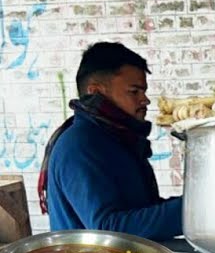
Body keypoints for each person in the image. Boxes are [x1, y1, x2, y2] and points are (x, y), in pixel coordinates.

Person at [39, 42, 182, 240]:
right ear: (96, 92)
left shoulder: (118, 139)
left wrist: (196, 207)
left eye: (144, 91)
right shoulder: (80, 145)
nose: (145, 100)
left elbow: (142, 210)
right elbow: (108, 229)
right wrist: (193, 210)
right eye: (134, 91)